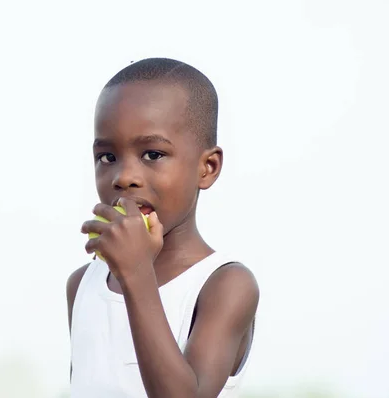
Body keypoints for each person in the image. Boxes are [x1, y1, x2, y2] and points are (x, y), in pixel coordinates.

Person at [66, 57, 259, 398]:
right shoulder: (83, 285)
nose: (124, 177)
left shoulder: (224, 285)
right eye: (107, 157)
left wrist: (138, 273)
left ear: (207, 167)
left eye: (153, 154)